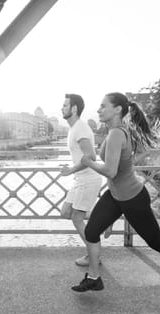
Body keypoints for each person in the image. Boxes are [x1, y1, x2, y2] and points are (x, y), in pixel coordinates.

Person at [72, 92, 160, 293]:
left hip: (132, 198)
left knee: (156, 241)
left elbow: (111, 171)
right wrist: (108, 218)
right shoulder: (117, 131)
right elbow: (122, 165)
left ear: (117, 109)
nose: (99, 110)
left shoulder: (117, 133)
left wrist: (89, 163)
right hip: (115, 195)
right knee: (92, 232)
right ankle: (93, 278)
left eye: (103, 106)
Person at [59, 93, 103, 266]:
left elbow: (91, 156)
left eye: (64, 105)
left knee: (77, 218)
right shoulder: (73, 128)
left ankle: (93, 255)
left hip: (88, 179)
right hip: (80, 179)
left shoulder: (81, 128)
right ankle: (102, 220)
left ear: (74, 108)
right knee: (66, 213)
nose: (61, 108)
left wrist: (70, 170)